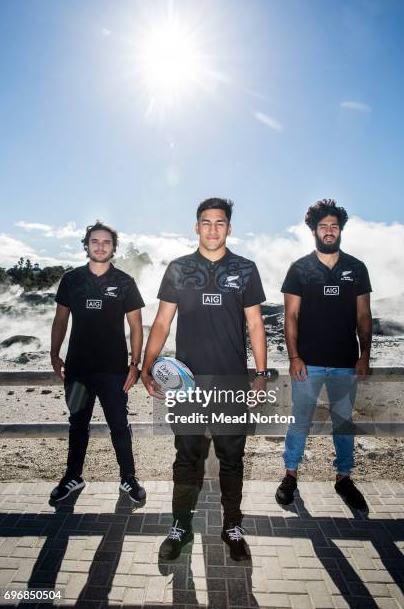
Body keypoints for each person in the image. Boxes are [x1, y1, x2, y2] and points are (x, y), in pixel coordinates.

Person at [141, 198, 268, 561]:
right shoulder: (180, 269)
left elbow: (256, 324)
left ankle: (232, 526)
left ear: (229, 227)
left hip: (230, 383)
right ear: (196, 227)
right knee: (186, 457)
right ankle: (180, 526)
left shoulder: (245, 269)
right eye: (206, 222)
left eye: (220, 223)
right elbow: (163, 323)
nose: (213, 229)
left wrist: (259, 374)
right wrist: (147, 366)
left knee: (232, 457)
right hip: (187, 385)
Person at [276, 199, 372, 510]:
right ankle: (290, 474)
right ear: (314, 230)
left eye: (334, 226)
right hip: (309, 363)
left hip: (346, 363)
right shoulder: (300, 269)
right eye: (323, 227)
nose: (328, 231)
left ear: (340, 229)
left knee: (343, 423)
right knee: (300, 421)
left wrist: (365, 355)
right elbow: (290, 317)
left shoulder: (356, 268)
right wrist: (294, 357)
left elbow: (364, 316)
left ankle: (343, 477)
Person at [49, 221, 146, 504]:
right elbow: (60, 320)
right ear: (86, 245)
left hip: (114, 370)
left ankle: (128, 478)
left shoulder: (125, 282)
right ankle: (73, 477)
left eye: (106, 242)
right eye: (95, 241)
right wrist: (54, 354)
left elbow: (136, 327)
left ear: (113, 248)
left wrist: (134, 364)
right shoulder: (71, 279)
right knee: (77, 424)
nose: (100, 246)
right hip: (78, 369)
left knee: (119, 424)